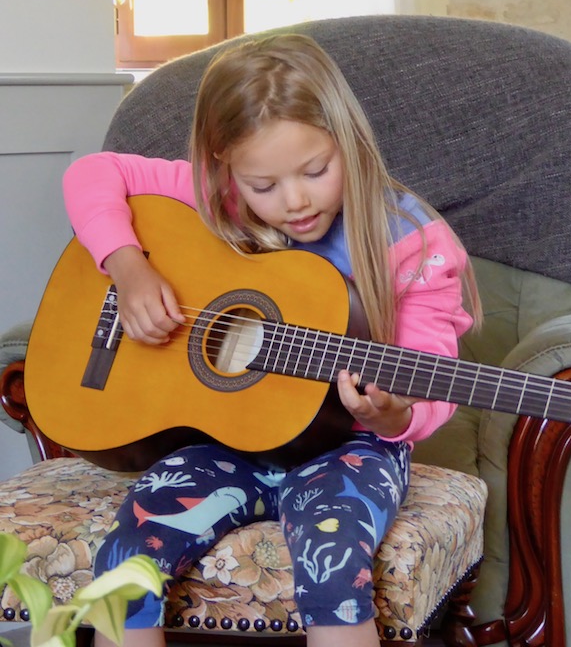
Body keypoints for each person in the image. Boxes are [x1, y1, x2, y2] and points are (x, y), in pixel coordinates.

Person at [62, 34, 481, 647]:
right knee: (127, 559)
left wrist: (396, 414)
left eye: (316, 171)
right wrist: (128, 267)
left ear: (348, 143)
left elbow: (431, 372)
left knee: (334, 569)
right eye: (264, 184)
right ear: (223, 167)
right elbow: (93, 173)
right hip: (223, 443)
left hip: (350, 450)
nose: (296, 200)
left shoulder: (411, 243)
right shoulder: (215, 200)